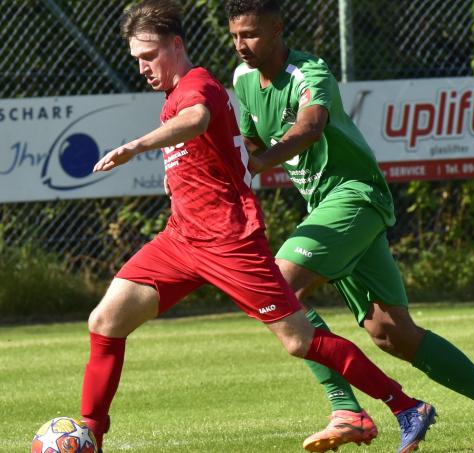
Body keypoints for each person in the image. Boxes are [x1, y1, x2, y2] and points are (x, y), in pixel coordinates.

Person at [80, 2, 436, 452]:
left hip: (229, 242)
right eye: (136, 59)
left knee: (299, 341)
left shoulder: (199, 86)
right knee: (106, 320)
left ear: (176, 45)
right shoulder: (172, 96)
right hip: (181, 239)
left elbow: (197, 120)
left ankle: (406, 406)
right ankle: (89, 436)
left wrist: (136, 146)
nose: (143, 67)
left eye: (149, 56)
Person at [225, 0, 474, 451]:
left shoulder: (311, 72)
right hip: (325, 207)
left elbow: (309, 128)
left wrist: (256, 162)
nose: (241, 45)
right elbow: (250, 142)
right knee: (392, 333)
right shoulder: (243, 79)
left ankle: (346, 410)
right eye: (234, 36)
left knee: (276, 289)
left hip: (354, 194)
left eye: (250, 34)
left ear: (276, 28)